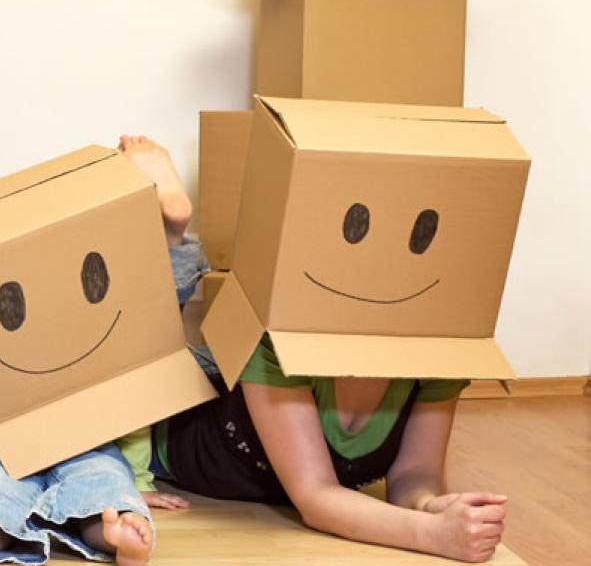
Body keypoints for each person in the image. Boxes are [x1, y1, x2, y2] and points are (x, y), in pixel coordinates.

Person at [148, 131, 508, 563]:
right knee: (142, 354)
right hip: (176, 429)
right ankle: (173, 236)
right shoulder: (278, 341)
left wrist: (431, 506)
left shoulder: (437, 354)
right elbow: (315, 495)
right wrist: (430, 534)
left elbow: (416, 473)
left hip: (256, 463)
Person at [0, 135, 208, 566]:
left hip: (87, 442)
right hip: (0, 448)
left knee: (103, 484)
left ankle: (119, 533)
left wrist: (138, 481)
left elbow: (134, 389)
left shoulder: (83, 334)